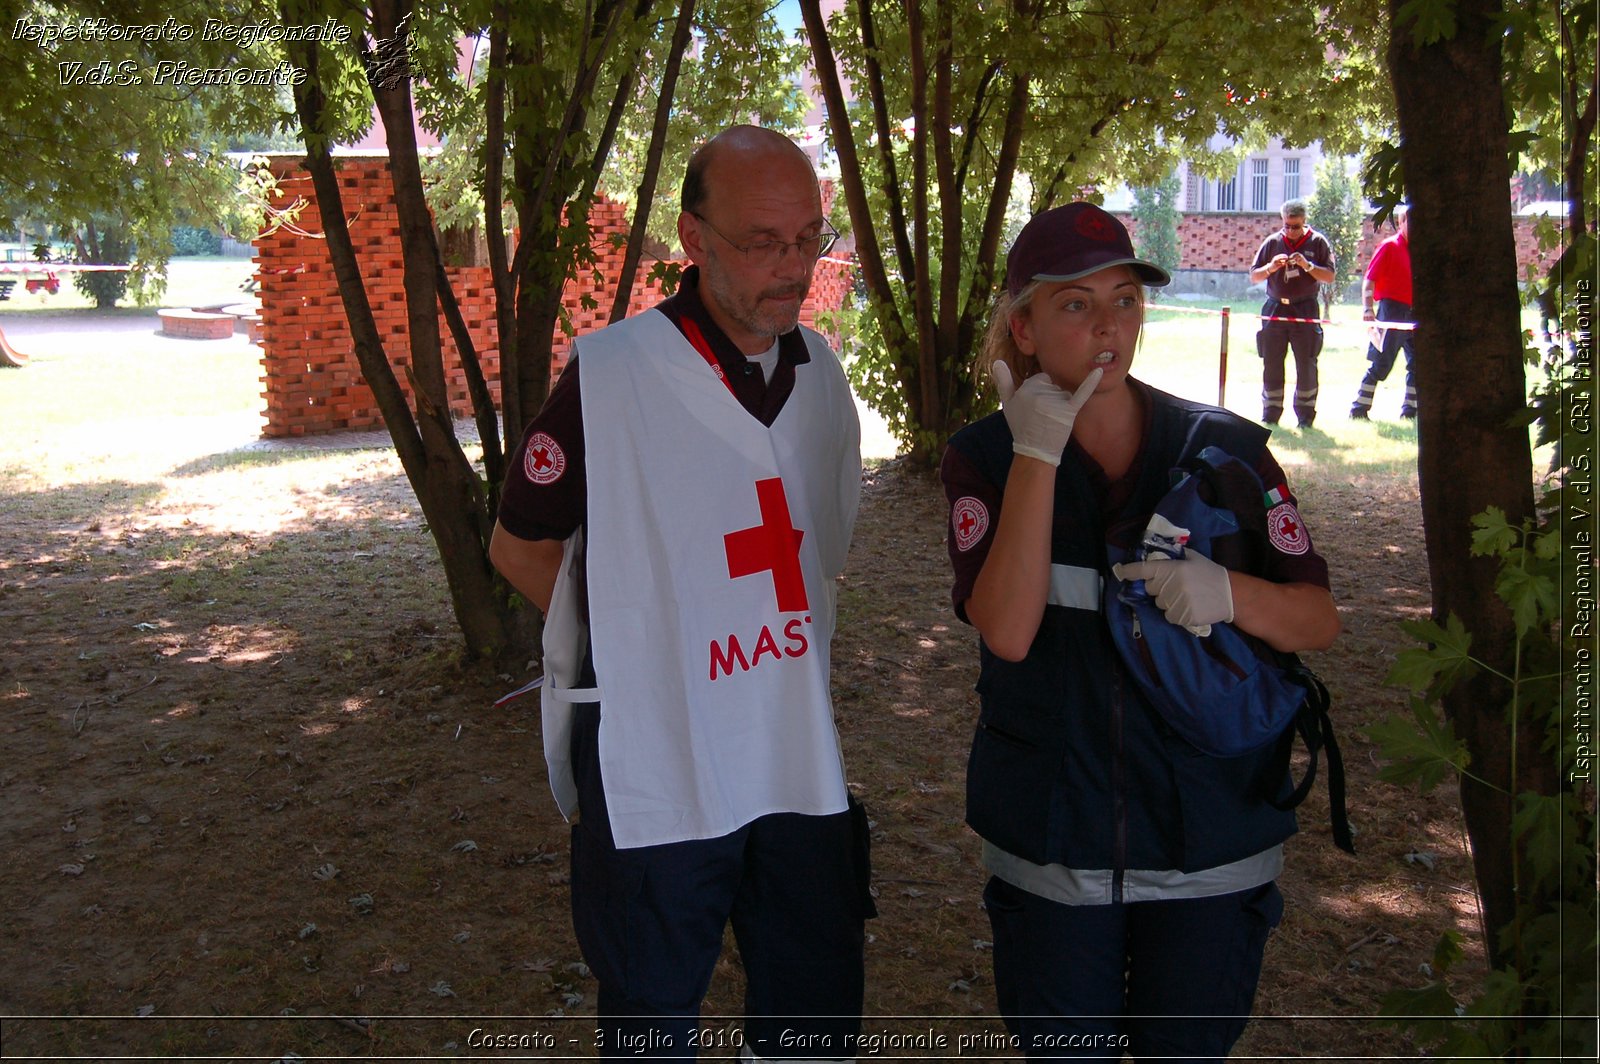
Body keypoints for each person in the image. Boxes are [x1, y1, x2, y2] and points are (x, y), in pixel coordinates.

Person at [489, 125, 869, 1062]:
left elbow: (822, 552)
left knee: (813, 1005)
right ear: (694, 240)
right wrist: (644, 643)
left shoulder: (821, 376)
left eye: (808, 239)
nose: (793, 268)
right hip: (660, 757)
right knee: (653, 1013)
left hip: (793, 752)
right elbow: (518, 544)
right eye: (761, 242)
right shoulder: (614, 378)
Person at [940, 203, 1340, 1060]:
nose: (1109, 326)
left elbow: (1317, 619)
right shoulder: (983, 457)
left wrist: (1231, 593)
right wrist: (1038, 457)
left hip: (1210, 843)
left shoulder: (1223, 449)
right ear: (1024, 324)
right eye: (1075, 305)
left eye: (1124, 299)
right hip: (1055, 847)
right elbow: (1006, 632)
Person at [1249, 200, 1335, 427]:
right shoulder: (1273, 242)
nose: (1290, 231)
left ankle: (1305, 417)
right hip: (1276, 307)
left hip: (1304, 308)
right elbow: (1254, 275)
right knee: (1272, 361)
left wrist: (1307, 266)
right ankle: (1271, 414)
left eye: (1295, 226)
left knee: (1306, 363)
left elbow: (1329, 276)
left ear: (1304, 222)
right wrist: (1271, 268)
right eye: (1286, 225)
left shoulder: (1317, 242)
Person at [1350, 205, 1416, 419]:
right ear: (1401, 222)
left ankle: (1410, 412)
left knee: (1418, 365)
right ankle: (1359, 409)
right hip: (1392, 311)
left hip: (1415, 312)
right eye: (1411, 221)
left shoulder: (1420, 250)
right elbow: (1369, 280)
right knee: (1381, 364)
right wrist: (1368, 308)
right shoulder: (1389, 246)